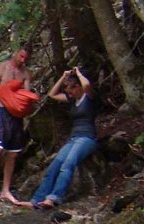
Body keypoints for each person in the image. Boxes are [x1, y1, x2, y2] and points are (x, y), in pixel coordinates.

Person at [31, 67, 98, 209]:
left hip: (87, 138)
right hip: (73, 139)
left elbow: (86, 84)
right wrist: (63, 76)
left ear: (78, 87)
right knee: (54, 166)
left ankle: (54, 198)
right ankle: (36, 200)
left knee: (68, 164)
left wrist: (78, 73)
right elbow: (52, 94)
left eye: (71, 91)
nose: (70, 94)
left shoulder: (88, 96)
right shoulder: (72, 100)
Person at [0, 47, 32, 205]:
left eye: (26, 58)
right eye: (21, 56)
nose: (23, 60)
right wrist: (7, 90)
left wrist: (24, 101)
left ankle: (6, 190)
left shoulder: (26, 73)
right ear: (16, 53)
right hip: (2, 111)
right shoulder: (1, 68)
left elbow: (27, 94)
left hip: (16, 115)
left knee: (13, 154)